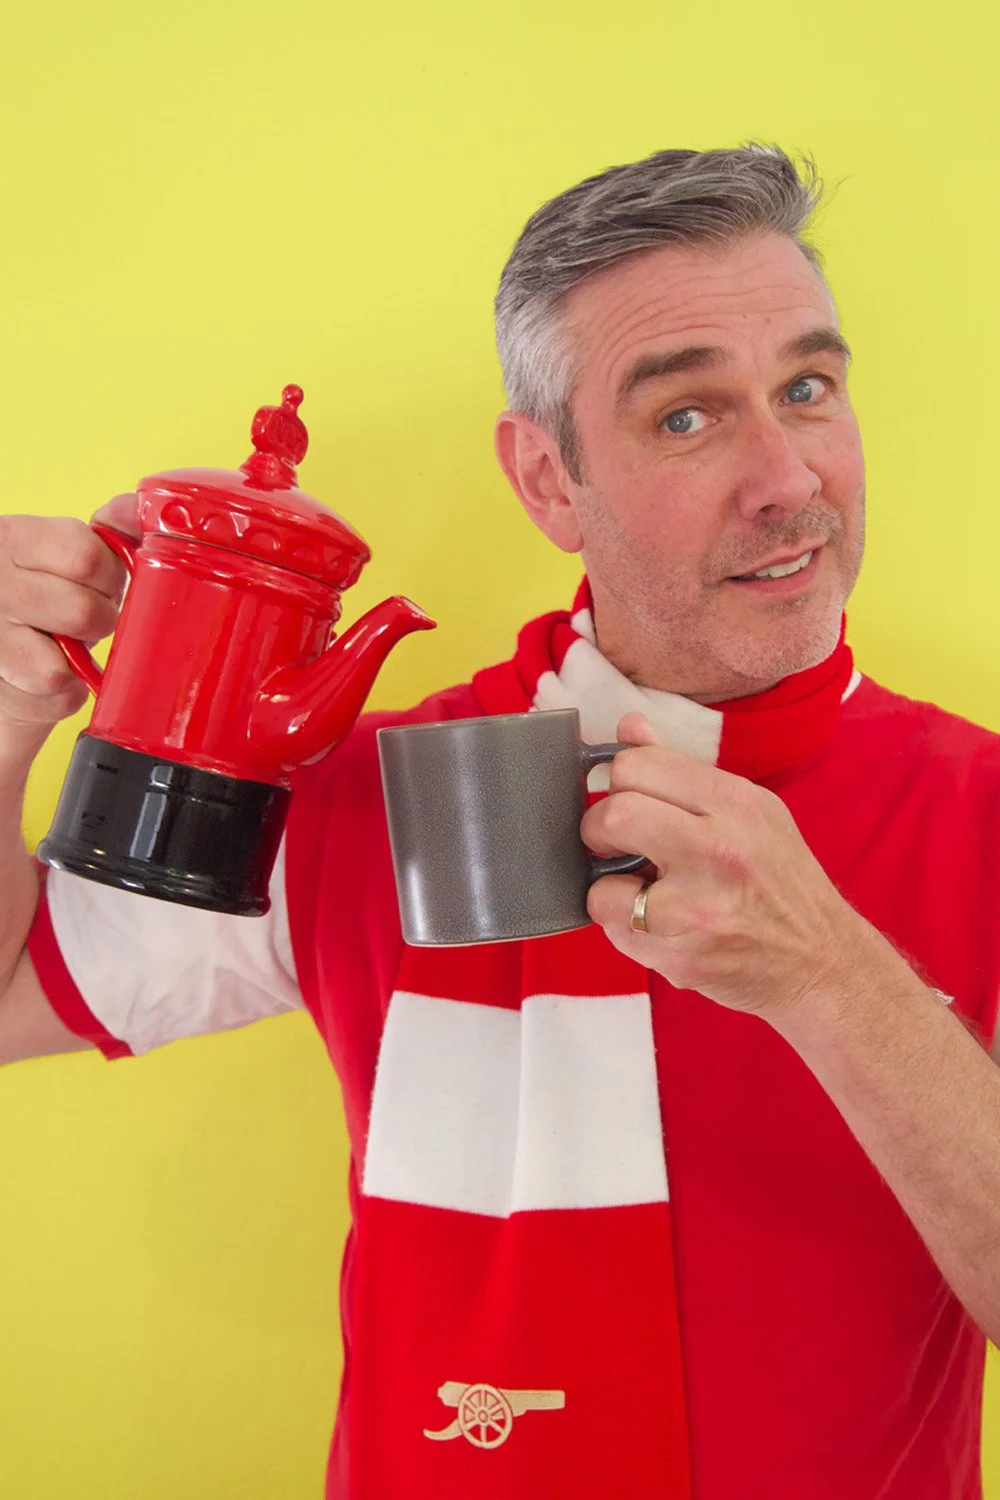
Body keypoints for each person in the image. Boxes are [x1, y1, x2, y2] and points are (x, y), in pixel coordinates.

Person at [1, 143, 999, 1499]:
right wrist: (7, 721)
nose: (788, 480)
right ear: (545, 482)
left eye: (808, 389)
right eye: (686, 418)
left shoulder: (980, 811)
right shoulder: (363, 793)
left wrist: (827, 974)